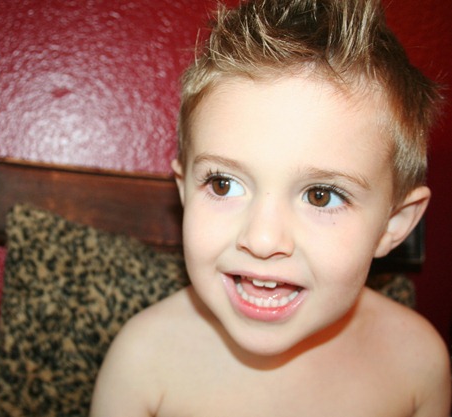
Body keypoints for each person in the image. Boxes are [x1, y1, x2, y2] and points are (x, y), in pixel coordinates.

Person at [89, 0, 451, 415]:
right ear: (184, 192)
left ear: (394, 223)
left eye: (320, 195)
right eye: (223, 184)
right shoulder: (142, 361)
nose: (261, 240)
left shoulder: (418, 363)